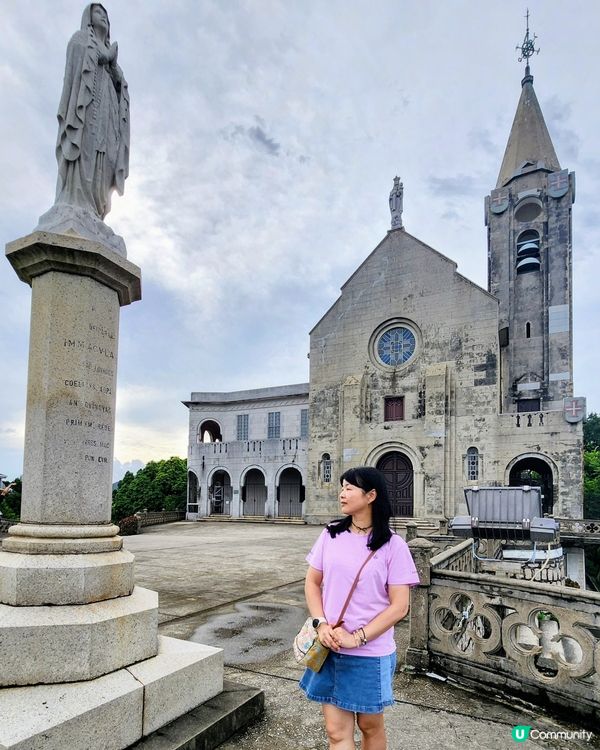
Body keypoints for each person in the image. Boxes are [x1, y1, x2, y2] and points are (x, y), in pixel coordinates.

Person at [299, 466, 419, 750]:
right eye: (342, 487)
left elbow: (400, 607)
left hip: (369, 653)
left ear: (371, 495)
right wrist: (321, 624)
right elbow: (313, 583)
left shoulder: (393, 546)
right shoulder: (330, 535)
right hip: (329, 647)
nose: (342, 493)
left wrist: (358, 637)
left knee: (369, 727)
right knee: (335, 732)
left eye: (349, 488)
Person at [54, 4, 129, 220]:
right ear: (89, 17)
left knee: (106, 162)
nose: (104, 17)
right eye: (99, 13)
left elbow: (122, 91)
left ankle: (95, 211)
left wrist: (113, 67)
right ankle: (75, 203)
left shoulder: (113, 63)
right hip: (85, 115)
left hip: (108, 124)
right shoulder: (81, 40)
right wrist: (103, 56)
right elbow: (74, 69)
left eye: (106, 15)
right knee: (83, 153)